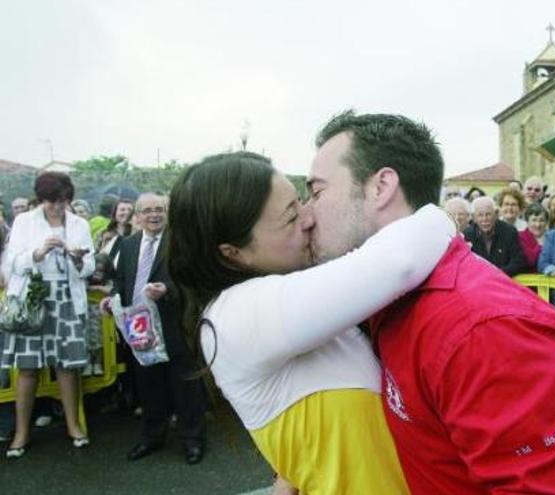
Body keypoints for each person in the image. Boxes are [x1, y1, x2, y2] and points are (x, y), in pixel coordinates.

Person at [307, 110, 555, 494]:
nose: (306, 215)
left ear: (381, 187)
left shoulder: (480, 329)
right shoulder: (389, 296)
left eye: (317, 192)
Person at [166, 152, 455, 492]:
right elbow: (400, 262)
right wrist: (440, 216)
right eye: (290, 218)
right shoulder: (236, 314)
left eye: (302, 200)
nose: (308, 218)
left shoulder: (285, 296)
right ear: (233, 252)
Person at [103, 193, 207, 464]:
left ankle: (192, 439)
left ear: (166, 212)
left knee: (184, 384)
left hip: (174, 322)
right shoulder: (128, 244)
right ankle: (152, 436)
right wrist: (111, 299)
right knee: (148, 385)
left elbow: (193, 280)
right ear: (136, 215)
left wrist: (168, 291)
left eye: (159, 209)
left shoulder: (181, 242)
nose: (153, 215)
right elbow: (121, 281)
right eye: (147, 210)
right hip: (139, 328)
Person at [1, 172, 94, 458]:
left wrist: (77, 257)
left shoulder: (79, 223)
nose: (58, 207)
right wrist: (38, 254)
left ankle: (73, 426)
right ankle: (21, 432)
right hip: (33, 298)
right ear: (41, 199)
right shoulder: (24, 221)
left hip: (67, 297)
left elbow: (89, 265)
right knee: (28, 368)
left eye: (64, 201)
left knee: (68, 367)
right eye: (53, 201)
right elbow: (12, 264)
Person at [463, 196, 528, 277]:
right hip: (478, 283)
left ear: (496, 215)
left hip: (503, 282)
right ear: (474, 218)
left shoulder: (509, 231)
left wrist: (497, 274)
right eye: (480, 215)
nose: (485, 219)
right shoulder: (467, 235)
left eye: (488, 214)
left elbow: (519, 261)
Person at [518, 203, 549, 272]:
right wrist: (540, 244)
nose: (538, 225)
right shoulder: (520, 237)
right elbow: (530, 261)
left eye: (542, 220)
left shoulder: (552, 237)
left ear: (546, 222)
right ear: (527, 221)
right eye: (534, 220)